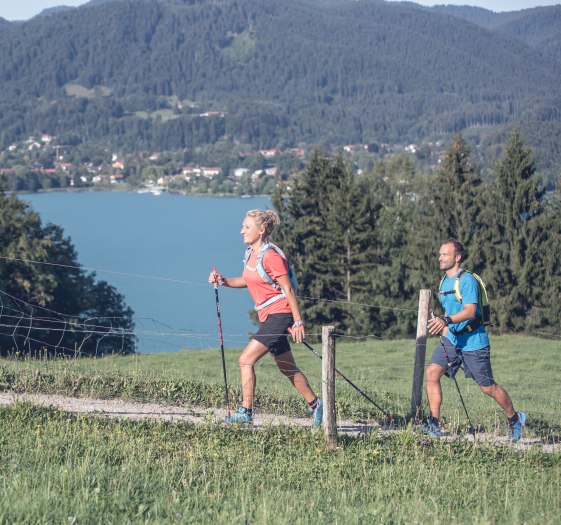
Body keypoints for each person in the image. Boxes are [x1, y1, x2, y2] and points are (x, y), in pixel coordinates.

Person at [208, 209, 323, 427]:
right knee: (286, 366)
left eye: (247, 227)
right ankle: (317, 405)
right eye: (243, 226)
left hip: (281, 314)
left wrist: (297, 322)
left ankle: (245, 412)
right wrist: (223, 281)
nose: (242, 231)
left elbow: (288, 290)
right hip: (269, 315)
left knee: (245, 360)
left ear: (261, 230)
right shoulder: (251, 253)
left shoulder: (271, 255)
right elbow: (247, 280)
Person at [426, 238, 526, 442]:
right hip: (452, 339)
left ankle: (515, 418)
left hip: (474, 341)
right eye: (440, 254)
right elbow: (449, 310)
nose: (440, 257)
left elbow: (470, 311)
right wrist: (442, 326)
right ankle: (434, 424)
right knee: (432, 372)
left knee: (487, 387)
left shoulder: (466, 280)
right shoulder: (444, 281)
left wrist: (445, 320)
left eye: (445, 254)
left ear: (457, 257)